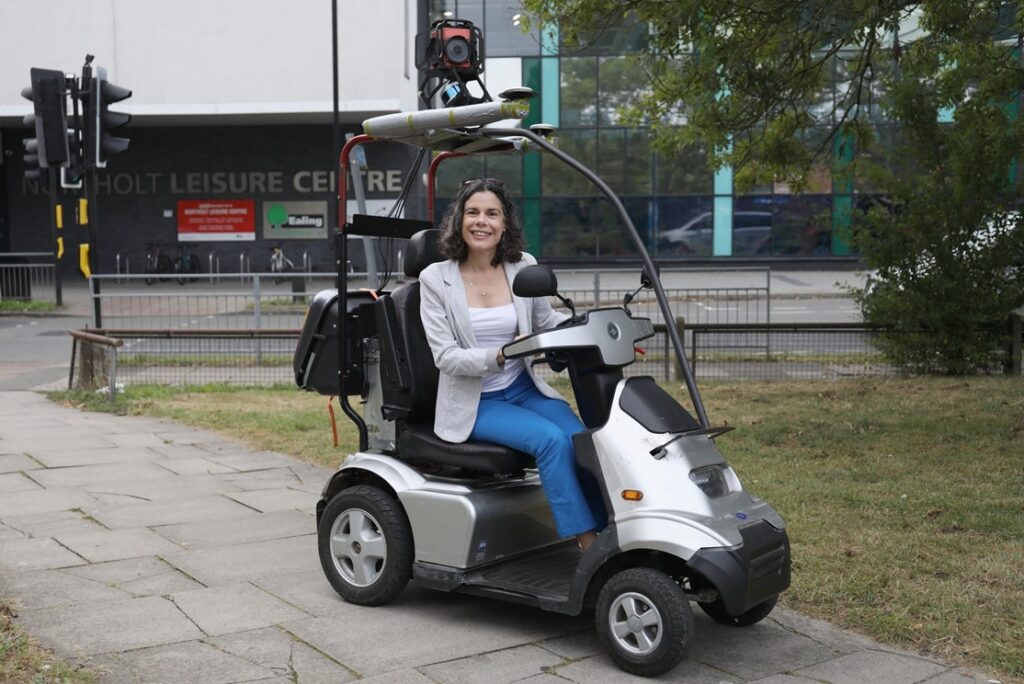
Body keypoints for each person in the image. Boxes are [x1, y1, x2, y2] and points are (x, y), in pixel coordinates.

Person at [418, 178, 602, 551]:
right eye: (472, 213)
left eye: (491, 214)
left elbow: (546, 324)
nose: (481, 221)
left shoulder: (522, 267)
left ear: (504, 224)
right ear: (458, 221)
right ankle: (589, 545)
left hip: (522, 389)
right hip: (477, 401)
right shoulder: (435, 279)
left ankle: (608, 528)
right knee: (550, 441)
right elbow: (446, 356)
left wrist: (589, 328)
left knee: (582, 439)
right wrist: (500, 354)